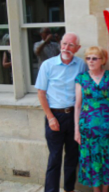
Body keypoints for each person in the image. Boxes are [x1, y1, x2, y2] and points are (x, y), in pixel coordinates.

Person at [35, 32, 87, 192]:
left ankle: (69, 188)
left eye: (71, 45)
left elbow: (85, 90)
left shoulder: (81, 65)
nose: (66, 48)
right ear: (60, 44)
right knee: (55, 157)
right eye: (64, 44)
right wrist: (50, 117)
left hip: (74, 116)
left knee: (72, 155)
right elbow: (41, 93)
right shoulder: (47, 65)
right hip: (54, 115)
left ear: (77, 48)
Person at [74, 46, 109, 192]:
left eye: (94, 58)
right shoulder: (81, 78)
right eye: (88, 58)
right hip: (88, 129)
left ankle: (106, 190)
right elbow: (77, 105)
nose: (91, 61)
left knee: (108, 157)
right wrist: (76, 129)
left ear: (102, 60)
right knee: (92, 159)